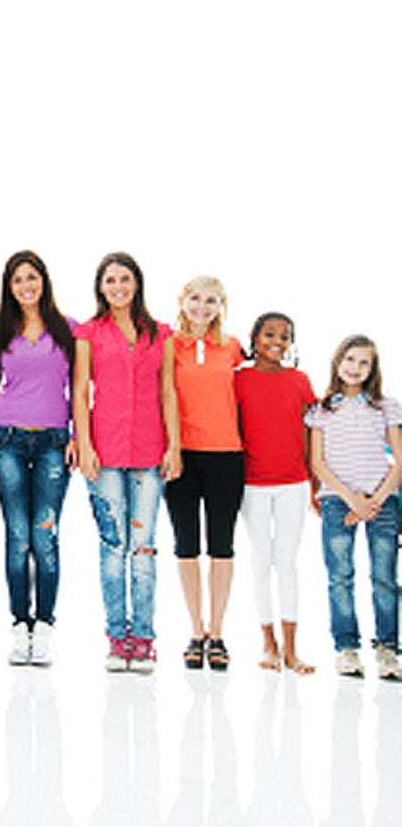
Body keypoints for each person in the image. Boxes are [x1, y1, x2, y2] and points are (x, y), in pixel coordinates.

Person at [72, 251, 180, 673]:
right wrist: (85, 445)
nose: (118, 287)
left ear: (137, 284)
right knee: (113, 547)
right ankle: (117, 637)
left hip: (151, 452)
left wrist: (174, 446)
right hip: (106, 452)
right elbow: (81, 391)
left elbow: (168, 391)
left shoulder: (161, 333)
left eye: (125, 279)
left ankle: (145, 637)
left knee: (144, 548)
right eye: (110, 280)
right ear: (100, 287)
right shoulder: (89, 332)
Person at [0, 250, 76, 667]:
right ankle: (20, 626)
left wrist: (76, 438)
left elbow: (81, 388)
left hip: (54, 441)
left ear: (43, 281)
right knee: (18, 537)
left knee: (45, 537)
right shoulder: (0, 330)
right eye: (18, 280)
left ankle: (45, 625)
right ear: (9, 287)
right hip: (8, 440)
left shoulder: (67, 328)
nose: (25, 286)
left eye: (31, 278)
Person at [304, 334, 402, 679]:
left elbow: (399, 460)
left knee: (384, 577)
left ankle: (388, 648)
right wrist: (352, 500)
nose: (356, 368)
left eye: (364, 362)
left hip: (383, 502)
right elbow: (317, 463)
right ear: (337, 362)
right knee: (341, 577)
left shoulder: (386, 406)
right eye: (350, 360)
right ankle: (347, 648)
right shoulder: (321, 410)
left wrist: (374, 501)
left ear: (373, 369)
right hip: (337, 502)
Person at [163, 276, 244, 672]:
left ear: (221, 306)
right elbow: (165, 396)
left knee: (222, 546)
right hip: (181, 456)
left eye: (211, 300)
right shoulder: (169, 345)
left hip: (227, 455)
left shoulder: (233, 348)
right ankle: (196, 631)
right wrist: (172, 448)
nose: (202, 306)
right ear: (182, 300)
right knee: (186, 545)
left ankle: (217, 632)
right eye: (195, 298)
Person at [234, 311, 317, 674]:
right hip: (252, 483)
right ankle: (267, 643)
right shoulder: (239, 379)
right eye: (270, 334)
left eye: (284, 337)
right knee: (260, 561)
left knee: (287, 563)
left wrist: (315, 483)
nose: (277, 342)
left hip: (293, 483)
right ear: (254, 337)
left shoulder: (300, 381)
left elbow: (308, 432)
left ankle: (292, 649)